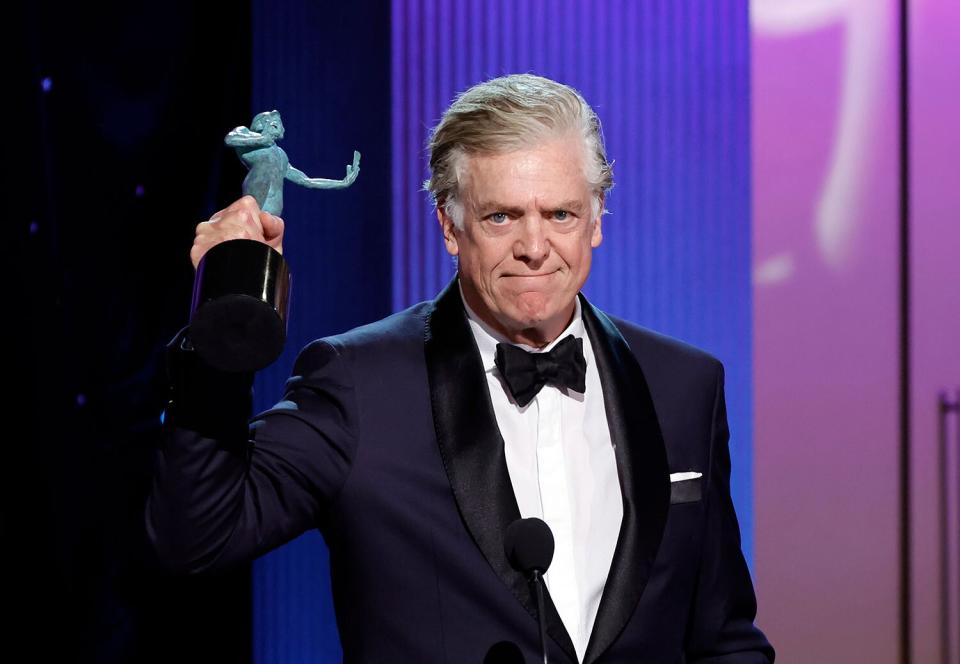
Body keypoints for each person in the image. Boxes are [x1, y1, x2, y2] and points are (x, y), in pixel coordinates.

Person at [148, 73, 774, 663]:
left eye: (560, 214)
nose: (534, 247)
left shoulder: (684, 385)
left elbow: (722, 638)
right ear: (450, 225)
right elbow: (196, 538)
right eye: (501, 216)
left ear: (597, 218)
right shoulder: (360, 383)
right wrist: (220, 334)